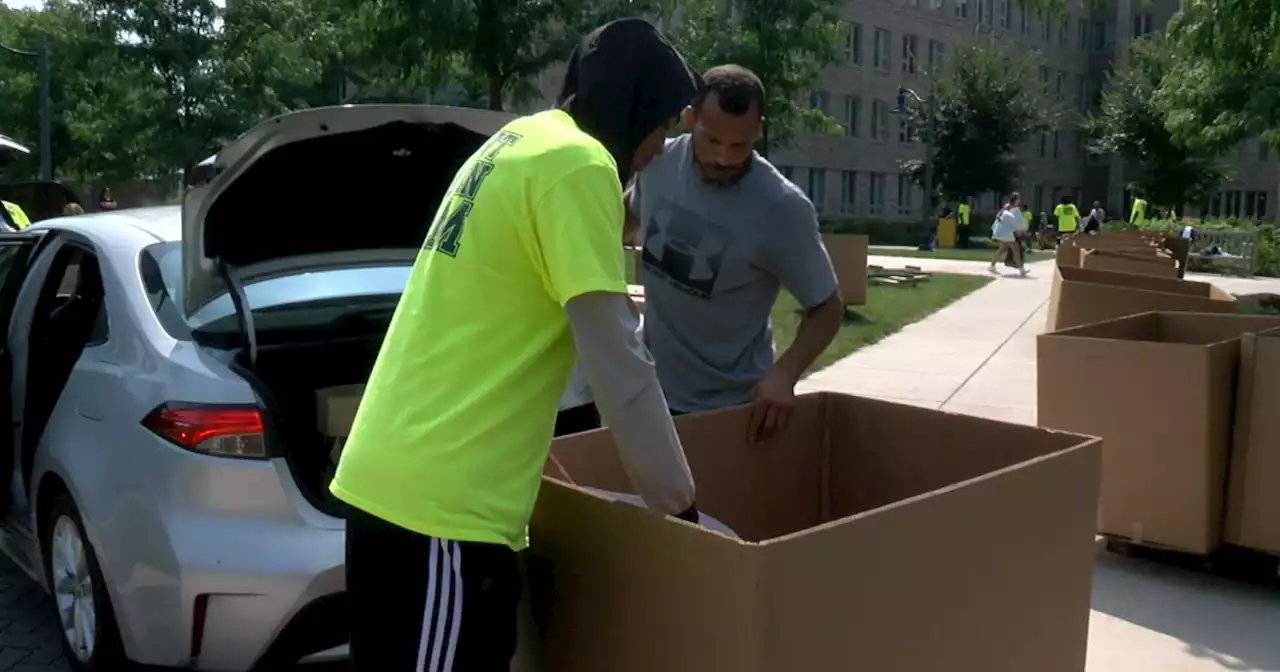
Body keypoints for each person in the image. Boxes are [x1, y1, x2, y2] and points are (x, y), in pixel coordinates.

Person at [330, 18, 702, 671]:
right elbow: (616, 358)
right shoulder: (580, 166)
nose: (661, 146)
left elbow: (523, 330)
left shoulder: (519, 140)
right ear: (632, 105)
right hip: (443, 512)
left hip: (396, 488)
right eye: (664, 123)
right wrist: (679, 503)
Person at [627, 64, 842, 442]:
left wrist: (783, 375)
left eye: (739, 145)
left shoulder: (781, 207)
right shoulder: (657, 162)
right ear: (690, 119)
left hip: (730, 407)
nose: (724, 158)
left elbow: (827, 308)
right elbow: (626, 217)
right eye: (712, 141)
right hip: (648, 392)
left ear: (758, 130)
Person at [989, 192, 1029, 277]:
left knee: (1002, 248)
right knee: (1015, 249)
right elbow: (999, 216)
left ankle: (992, 266)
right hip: (1005, 232)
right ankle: (1021, 270)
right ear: (1015, 199)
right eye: (1018, 199)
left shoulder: (1014, 208)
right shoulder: (1008, 207)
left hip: (1007, 232)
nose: (1020, 201)